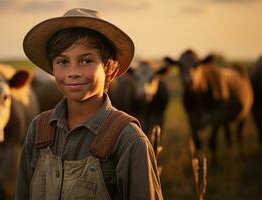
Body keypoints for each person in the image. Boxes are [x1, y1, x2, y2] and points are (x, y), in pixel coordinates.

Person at [16, 8, 163, 200]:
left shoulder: (129, 140)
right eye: (62, 61)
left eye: (86, 61)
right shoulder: (39, 128)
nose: (73, 72)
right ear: (52, 67)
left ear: (109, 67)